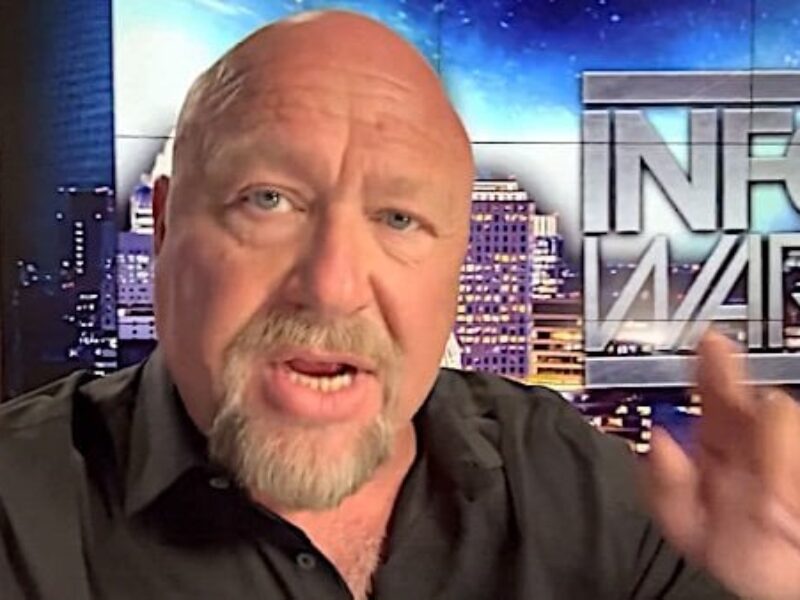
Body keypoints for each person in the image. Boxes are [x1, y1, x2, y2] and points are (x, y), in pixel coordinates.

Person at [1, 9, 800, 599]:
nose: (333, 285)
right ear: (165, 225)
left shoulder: (578, 487)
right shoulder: (20, 512)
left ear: (454, 264)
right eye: (268, 199)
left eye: (398, 219)